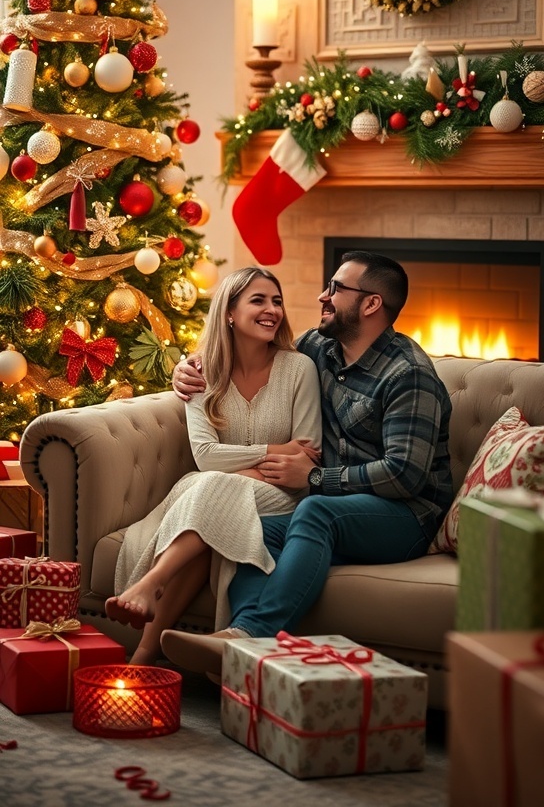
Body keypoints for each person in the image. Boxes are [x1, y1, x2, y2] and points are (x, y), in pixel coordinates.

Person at [161, 250, 453, 677]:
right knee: (250, 526)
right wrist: (185, 368)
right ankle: (242, 656)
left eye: (336, 289)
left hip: (406, 515)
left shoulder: (408, 374)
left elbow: (404, 475)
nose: (322, 295)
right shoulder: (321, 348)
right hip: (345, 505)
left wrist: (314, 477)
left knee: (316, 511)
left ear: (371, 304)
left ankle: (248, 636)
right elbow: (248, 354)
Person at [105, 266, 321, 665]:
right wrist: (273, 449)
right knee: (214, 516)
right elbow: (205, 455)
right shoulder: (201, 372)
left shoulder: (299, 369)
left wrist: (236, 467)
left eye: (277, 301)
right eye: (258, 300)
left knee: (211, 489)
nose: (272, 309)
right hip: (223, 495)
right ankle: (145, 655)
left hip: (284, 497)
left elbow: (305, 456)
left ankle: (152, 584)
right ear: (229, 313)